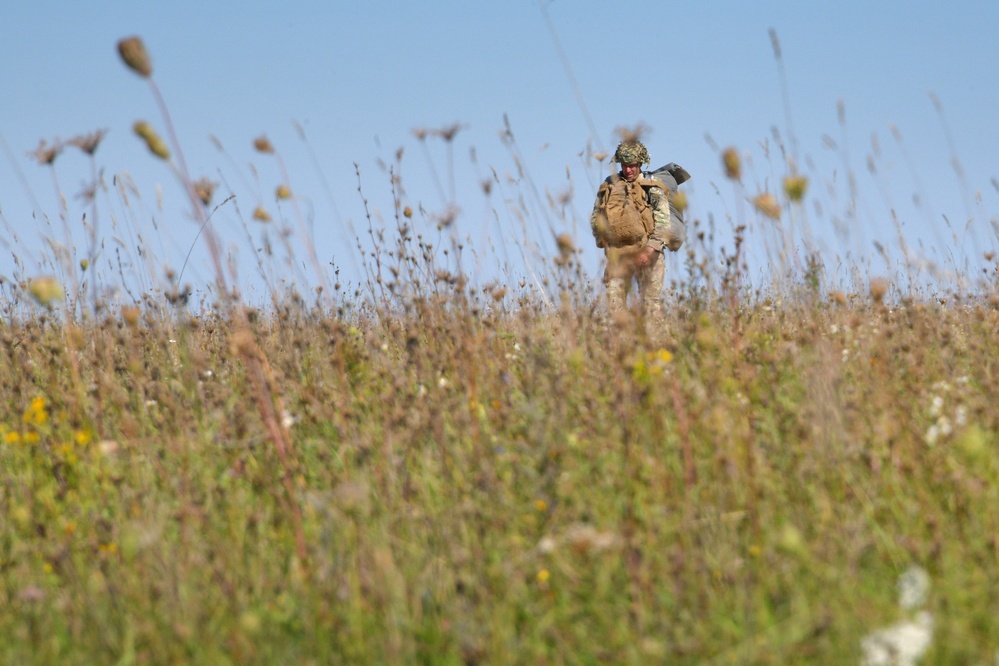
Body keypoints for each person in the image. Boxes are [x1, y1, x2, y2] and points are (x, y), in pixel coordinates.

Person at [590, 140, 681, 318]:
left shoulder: (651, 186)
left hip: (648, 252)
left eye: (632, 166)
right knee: (615, 309)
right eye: (624, 165)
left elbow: (663, 220)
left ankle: (655, 343)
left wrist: (650, 250)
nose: (628, 170)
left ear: (640, 164)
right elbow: (596, 218)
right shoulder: (609, 186)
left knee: (650, 306)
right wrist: (605, 243)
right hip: (619, 255)